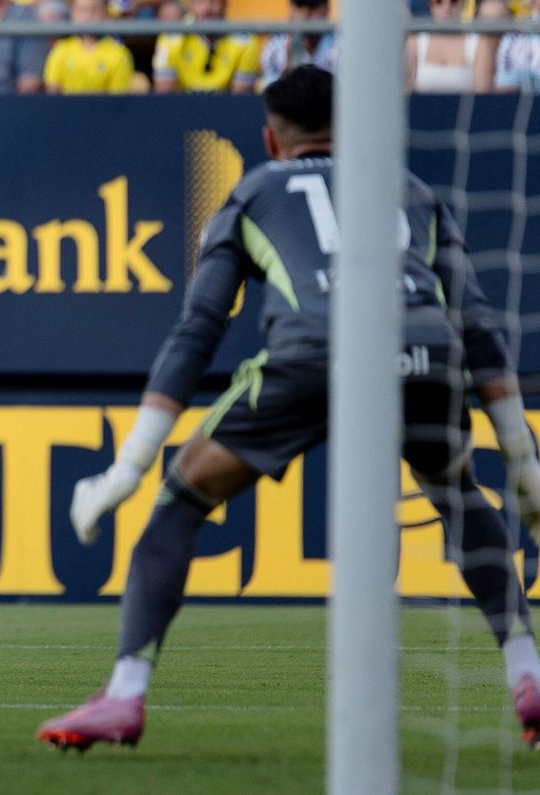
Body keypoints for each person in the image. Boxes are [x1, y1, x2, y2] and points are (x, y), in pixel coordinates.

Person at [36, 66, 540, 751]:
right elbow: (477, 323)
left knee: (181, 497)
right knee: (457, 493)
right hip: (425, 354)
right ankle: (527, 670)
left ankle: (124, 694)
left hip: (313, 355)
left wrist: (128, 465)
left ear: (271, 140)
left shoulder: (253, 192)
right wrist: (522, 460)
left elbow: (199, 327)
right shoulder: (411, 190)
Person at [152, 0, 260, 94]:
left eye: (214, 0)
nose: (207, 8)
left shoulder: (245, 41)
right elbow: (165, 94)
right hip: (183, 104)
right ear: (190, 3)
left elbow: (240, 97)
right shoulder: (171, 38)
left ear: (225, 3)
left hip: (227, 104)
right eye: (201, 0)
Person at [405, 0, 492, 94]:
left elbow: (484, 95)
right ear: (431, 6)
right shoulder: (415, 42)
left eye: (454, 0)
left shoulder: (478, 43)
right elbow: (406, 91)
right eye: (439, 1)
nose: (447, 6)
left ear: (464, 2)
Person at [42, 0, 138, 93]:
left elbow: (118, 99)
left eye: (95, 9)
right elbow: (53, 94)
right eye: (83, 9)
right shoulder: (60, 49)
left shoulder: (119, 54)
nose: (89, 15)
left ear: (106, 14)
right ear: (72, 14)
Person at [259, 0, 337, 88]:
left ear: (326, 9)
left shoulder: (340, 45)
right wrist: (288, 68)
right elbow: (270, 93)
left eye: (313, 6)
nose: (306, 13)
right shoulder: (275, 45)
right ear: (290, 9)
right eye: (300, 5)